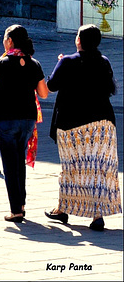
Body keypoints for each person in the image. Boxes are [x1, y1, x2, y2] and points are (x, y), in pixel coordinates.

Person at [44, 24, 121, 231]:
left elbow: (51, 86)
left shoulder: (67, 61)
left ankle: (62, 209)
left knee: (71, 168)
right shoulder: (104, 62)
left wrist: (60, 63)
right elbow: (111, 89)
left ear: (79, 41)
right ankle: (97, 216)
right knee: (98, 169)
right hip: (102, 123)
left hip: (72, 124)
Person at [0, 25, 49, 223]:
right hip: (27, 120)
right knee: (19, 162)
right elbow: (43, 93)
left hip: (6, 120)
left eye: (4, 38)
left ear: (10, 41)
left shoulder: (0, 64)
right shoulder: (34, 63)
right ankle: (22, 204)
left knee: (10, 165)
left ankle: (16, 211)